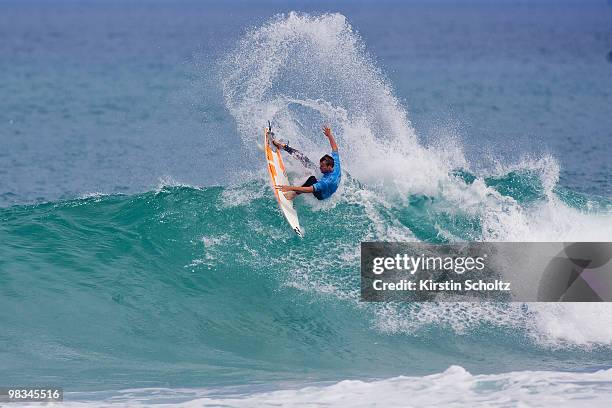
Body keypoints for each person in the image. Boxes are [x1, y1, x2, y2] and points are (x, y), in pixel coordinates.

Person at [273, 126, 341, 201]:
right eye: (320, 165)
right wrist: (329, 135)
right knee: (304, 158)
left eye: (322, 166)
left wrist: (289, 188)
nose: (320, 167)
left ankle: (293, 194)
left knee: (312, 179)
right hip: (329, 183)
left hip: (322, 194)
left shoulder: (327, 181)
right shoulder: (336, 164)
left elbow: (309, 189)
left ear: (329, 166)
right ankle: (283, 146)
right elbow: (335, 148)